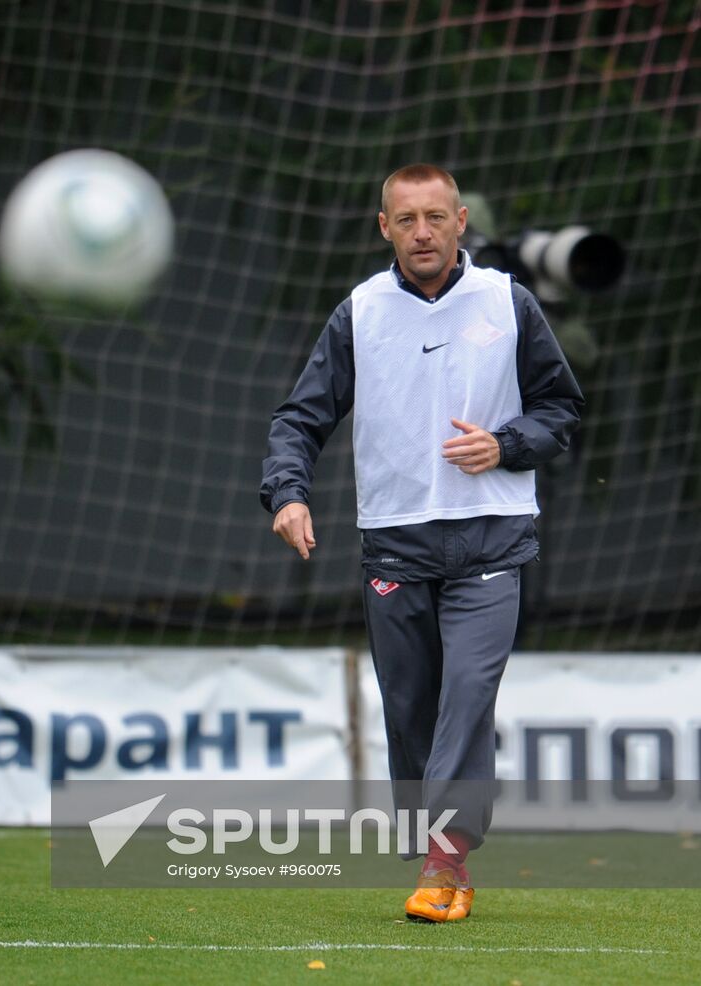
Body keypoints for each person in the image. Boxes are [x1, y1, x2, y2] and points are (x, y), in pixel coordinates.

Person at [260, 163, 583, 923]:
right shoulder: (359, 313)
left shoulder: (508, 301)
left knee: (468, 696)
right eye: (406, 220)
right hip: (395, 545)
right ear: (384, 228)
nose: (423, 233)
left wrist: (506, 445)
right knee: (411, 708)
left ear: (462, 220)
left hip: (492, 543)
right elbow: (298, 420)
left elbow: (560, 409)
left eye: (435, 217)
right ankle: (443, 855)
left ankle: (444, 864)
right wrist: (289, 492)